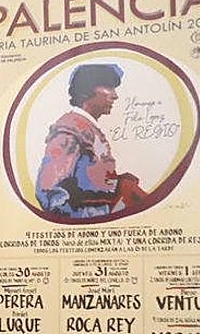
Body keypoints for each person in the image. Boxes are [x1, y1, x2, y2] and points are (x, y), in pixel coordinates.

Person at [36, 63, 147, 218]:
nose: (115, 95)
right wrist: (99, 218)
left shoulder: (85, 127)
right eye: (108, 87)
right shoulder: (69, 130)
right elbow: (50, 194)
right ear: (86, 91)